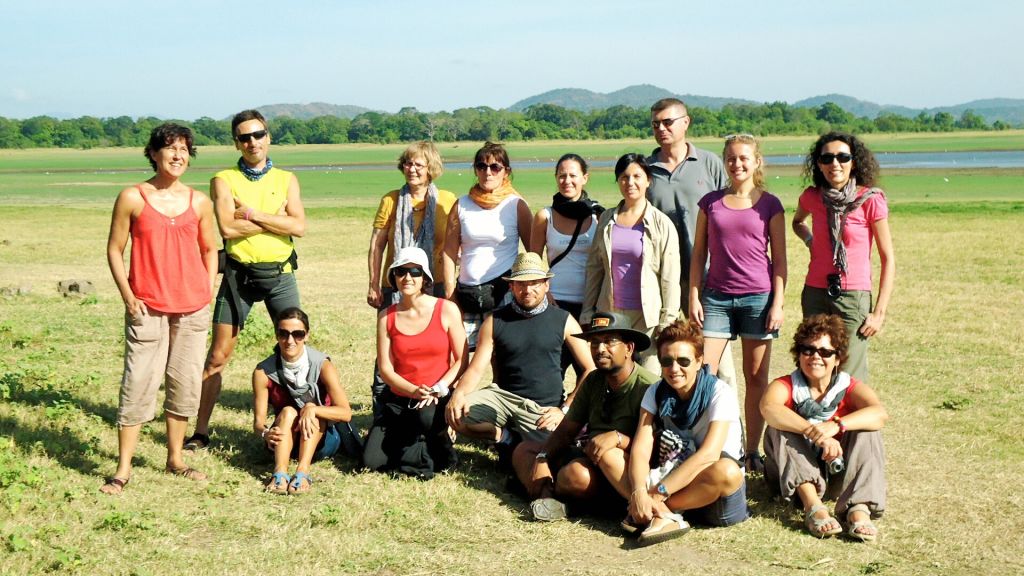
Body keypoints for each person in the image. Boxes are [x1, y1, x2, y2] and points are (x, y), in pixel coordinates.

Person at [101, 123, 218, 494]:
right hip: (147, 307)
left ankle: (176, 459)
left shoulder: (199, 201)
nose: (178, 155)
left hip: (192, 308)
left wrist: (206, 288)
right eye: (170, 148)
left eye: (184, 149)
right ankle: (123, 469)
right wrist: (127, 295)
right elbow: (114, 250)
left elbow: (209, 249)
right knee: (138, 383)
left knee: (184, 384)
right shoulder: (133, 197)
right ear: (153, 153)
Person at [185, 109, 306, 450]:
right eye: (245, 137)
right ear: (236, 142)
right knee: (218, 355)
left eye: (258, 134)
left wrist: (253, 214)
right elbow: (227, 228)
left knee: (293, 348)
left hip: (281, 275)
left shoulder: (287, 179)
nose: (253, 142)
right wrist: (276, 219)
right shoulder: (223, 179)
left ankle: (296, 427)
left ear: (268, 137)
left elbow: (299, 227)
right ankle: (201, 430)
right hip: (239, 277)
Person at [445, 252, 594, 481]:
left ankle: (514, 444)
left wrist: (564, 409)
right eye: (521, 284)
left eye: (534, 283)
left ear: (546, 284)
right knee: (458, 414)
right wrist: (458, 395)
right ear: (512, 287)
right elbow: (476, 368)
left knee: (554, 450)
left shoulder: (564, 320)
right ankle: (504, 436)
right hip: (502, 397)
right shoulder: (495, 321)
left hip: (542, 408)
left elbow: (589, 369)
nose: (527, 290)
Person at [689, 134, 786, 473]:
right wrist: (693, 294)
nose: (737, 163)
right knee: (704, 374)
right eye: (731, 158)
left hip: (758, 299)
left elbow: (780, 259)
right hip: (715, 297)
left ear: (757, 162)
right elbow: (699, 252)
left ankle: (752, 451)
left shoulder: (770, 204)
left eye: (744, 158)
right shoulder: (710, 203)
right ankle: (705, 445)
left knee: (756, 377)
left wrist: (778, 303)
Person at [760, 314, 888, 541]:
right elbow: (768, 408)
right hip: (791, 477)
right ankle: (813, 508)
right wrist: (815, 433)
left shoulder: (848, 387)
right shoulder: (785, 385)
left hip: (836, 474)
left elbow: (879, 414)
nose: (815, 357)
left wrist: (836, 425)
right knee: (779, 427)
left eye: (825, 352)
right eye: (808, 350)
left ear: (837, 359)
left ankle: (858, 509)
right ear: (798, 354)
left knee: (868, 429)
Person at [525, 313, 658, 522]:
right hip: (589, 456)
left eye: (609, 342)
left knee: (576, 475)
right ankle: (548, 495)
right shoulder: (594, 380)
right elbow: (567, 430)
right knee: (525, 451)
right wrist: (543, 458)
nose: (600, 349)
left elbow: (659, 448)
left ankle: (559, 496)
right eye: (594, 343)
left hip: (625, 470)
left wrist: (618, 439)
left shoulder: (648, 387)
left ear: (629, 348)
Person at [626, 320, 748, 546]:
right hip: (674, 477)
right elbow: (641, 447)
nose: (674, 369)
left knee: (727, 471)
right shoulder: (656, 391)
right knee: (617, 457)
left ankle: (659, 511)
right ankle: (657, 513)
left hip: (712, 494)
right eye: (667, 361)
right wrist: (637, 491)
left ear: (699, 361)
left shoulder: (720, 392)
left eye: (683, 361)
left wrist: (657, 495)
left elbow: (709, 455)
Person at [646, 97, 736, 386]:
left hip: (709, 276)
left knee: (718, 361)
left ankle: (730, 427)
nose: (661, 128)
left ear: (686, 122)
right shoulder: (646, 169)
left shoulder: (710, 164)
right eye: (656, 124)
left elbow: (732, 211)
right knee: (666, 357)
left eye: (668, 122)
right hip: (664, 279)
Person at [792, 132, 895, 383]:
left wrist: (879, 313)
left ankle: (852, 423)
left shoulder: (870, 199)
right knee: (815, 365)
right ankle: (816, 421)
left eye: (842, 157)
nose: (834, 164)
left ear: (854, 162)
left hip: (853, 296)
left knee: (848, 372)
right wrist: (810, 241)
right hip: (815, 292)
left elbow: (888, 259)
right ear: (818, 164)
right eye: (827, 158)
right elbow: (797, 222)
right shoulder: (812, 197)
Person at [366, 142, 457, 418]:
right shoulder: (391, 200)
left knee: (438, 346)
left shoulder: (447, 200)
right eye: (408, 163)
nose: (412, 169)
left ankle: (439, 406)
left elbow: (455, 244)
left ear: (431, 169)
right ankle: (384, 409)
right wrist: (373, 283)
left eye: (419, 164)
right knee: (391, 344)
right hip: (397, 282)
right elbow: (377, 245)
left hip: (435, 282)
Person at [364, 247, 466, 479]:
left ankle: (437, 446)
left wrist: (439, 388)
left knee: (425, 417)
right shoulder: (386, 317)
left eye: (415, 272)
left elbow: (462, 360)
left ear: (425, 278)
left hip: (436, 395)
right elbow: (385, 369)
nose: (407, 277)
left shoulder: (446, 309)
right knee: (372, 461)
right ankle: (418, 444)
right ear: (394, 277)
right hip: (400, 398)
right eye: (401, 272)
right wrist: (413, 390)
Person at [582, 153, 680, 373]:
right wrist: (588, 312)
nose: (630, 182)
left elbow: (670, 277)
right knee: (614, 376)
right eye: (624, 177)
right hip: (611, 314)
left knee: (649, 379)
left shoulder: (661, 224)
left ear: (648, 180)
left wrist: (667, 321)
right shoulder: (606, 220)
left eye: (637, 176)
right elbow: (595, 269)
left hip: (648, 318)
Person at [253, 308, 353, 495]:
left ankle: (302, 471)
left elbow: (346, 413)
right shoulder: (262, 371)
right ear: (276, 335)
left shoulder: (322, 365)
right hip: (283, 440)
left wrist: (313, 409)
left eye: (297, 334)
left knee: (313, 410)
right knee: (288, 411)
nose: (290, 341)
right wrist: (265, 433)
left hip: (321, 442)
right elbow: (258, 423)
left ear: (306, 335)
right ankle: (280, 472)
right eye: (283, 334)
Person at [442, 141, 532, 348]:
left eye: (495, 167)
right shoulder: (461, 204)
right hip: (467, 292)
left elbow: (532, 252)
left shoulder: (516, 205)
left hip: (505, 291)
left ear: (506, 172)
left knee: (504, 353)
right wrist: (449, 293)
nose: (488, 172)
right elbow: (448, 252)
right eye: (481, 166)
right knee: (460, 352)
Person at [530, 153, 604, 379]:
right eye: (562, 176)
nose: (567, 181)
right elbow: (533, 262)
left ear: (585, 178)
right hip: (556, 303)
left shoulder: (598, 215)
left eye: (573, 175)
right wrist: (545, 293)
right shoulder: (545, 216)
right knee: (553, 367)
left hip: (591, 304)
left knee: (593, 368)